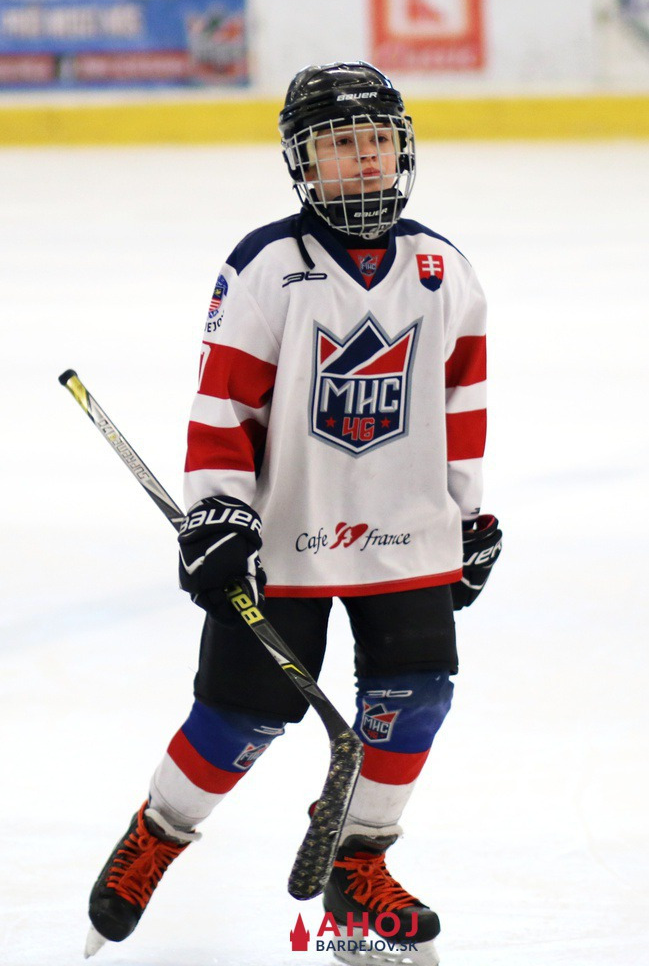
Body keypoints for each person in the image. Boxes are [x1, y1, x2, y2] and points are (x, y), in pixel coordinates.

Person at [85, 61, 502, 966]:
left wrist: (467, 518)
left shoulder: (442, 269)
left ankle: (358, 866)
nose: (365, 158)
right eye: (340, 144)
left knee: (416, 697)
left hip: (405, 530)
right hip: (284, 538)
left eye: (376, 140)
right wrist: (217, 516)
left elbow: (461, 401)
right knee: (241, 715)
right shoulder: (268, 267)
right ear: (302, 162)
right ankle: (159, 832)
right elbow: (223, 405)